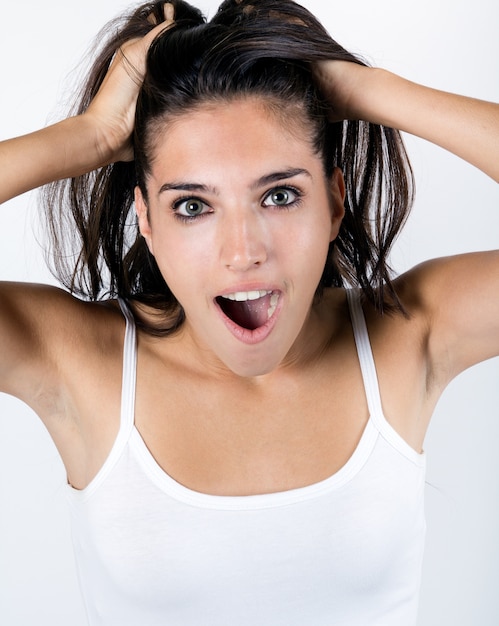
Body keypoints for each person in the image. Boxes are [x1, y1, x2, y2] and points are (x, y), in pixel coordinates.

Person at [0, 0, 498, 624]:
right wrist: (88, 137)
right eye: (192, 206)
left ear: (335, 203)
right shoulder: (77, 362)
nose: (244, 252)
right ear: (146, 220)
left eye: (280, 195)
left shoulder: (410, 334)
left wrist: (366, 87)